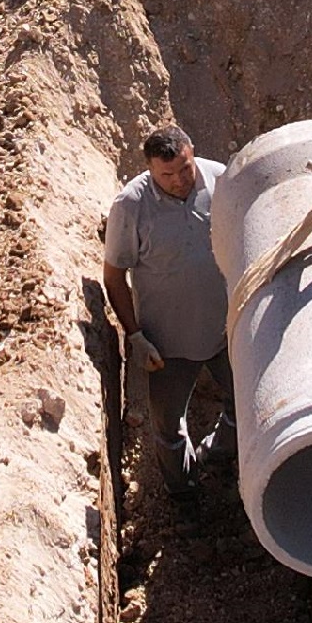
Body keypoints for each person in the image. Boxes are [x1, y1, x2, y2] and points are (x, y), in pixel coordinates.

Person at [100, 126, 230, 457]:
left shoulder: (222, 181)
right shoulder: (131, 206)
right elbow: (114, 277)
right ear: (150, 169)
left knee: (243, 408)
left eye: (185, 168)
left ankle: (217, 455)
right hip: (166, 347)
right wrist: (136, 337)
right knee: (170, 429)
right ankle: (182, 493)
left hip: (225, 333)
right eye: (166, 174)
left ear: (192, 152)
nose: (179, 180)